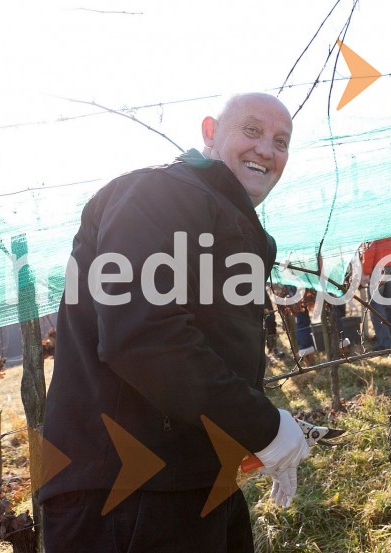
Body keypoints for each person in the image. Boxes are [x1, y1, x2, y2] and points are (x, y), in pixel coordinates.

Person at [40, 93, 310, 552]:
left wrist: (247, 437)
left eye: (281, 141)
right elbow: (142, 335)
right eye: (252, 130)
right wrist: (262, 426)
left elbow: (210, 346)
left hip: (192, 481)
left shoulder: (237, 227)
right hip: (126, 491)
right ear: (209, 131)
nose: (267, 149)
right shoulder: (157, 194)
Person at [360, 237, 391, 350]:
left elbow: (369, 250)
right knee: (387, 304)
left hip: (378, 266)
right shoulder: (383, 223)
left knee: (376, 306)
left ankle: (384, 342)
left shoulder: (370, 226)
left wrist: (366, 272)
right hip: (390, 262)